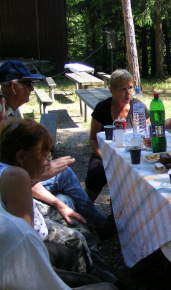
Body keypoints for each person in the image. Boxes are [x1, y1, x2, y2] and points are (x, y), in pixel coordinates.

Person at [0, 60, 116, 239]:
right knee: (66, 176)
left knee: (65, 191)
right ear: (14, 86)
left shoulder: (12, 110)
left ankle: (96, 221)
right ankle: (101, 223)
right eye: (28, 84)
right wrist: (41, 171)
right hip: (14, 185)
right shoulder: (3, 116)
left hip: (21, 178)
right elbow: (9, 172)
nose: (32, 89)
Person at [0, 118, 119, 289]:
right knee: (76, 236)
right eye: (45, 156)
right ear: (21, 156)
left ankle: (98, 275)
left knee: (68, 205)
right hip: (28, 262)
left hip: (31, 241)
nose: (48, 163)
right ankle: (98, 279)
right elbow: (25, 242)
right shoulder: (16, 176)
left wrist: (58, 203)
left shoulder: (9, 169)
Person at [85, 69, 150, 201]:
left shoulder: (139, 107)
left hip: (133, 154)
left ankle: (122, 214)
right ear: (111, 90)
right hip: (105, 153)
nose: (128, 93)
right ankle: (84, 210)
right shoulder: (102, 108)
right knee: (96, 174)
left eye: (130, 88)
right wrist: (105, 157)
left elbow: (147, 135)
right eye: (122, 89)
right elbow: (93, 139)